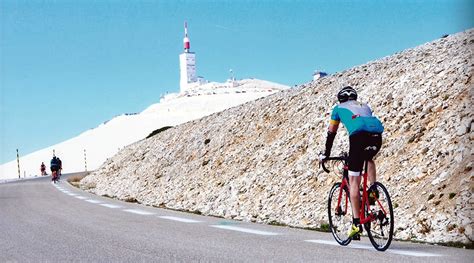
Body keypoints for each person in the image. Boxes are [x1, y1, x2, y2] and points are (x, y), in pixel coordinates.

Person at [320, 86, 384, 240]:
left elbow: (331, 133)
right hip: (376, 136)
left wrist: (326, 154)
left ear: (340, 98)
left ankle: (356, 224)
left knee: (353, 181)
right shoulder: (365, 106)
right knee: (368, 158)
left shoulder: (338, 109)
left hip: (358, 138)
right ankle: (374, 189)